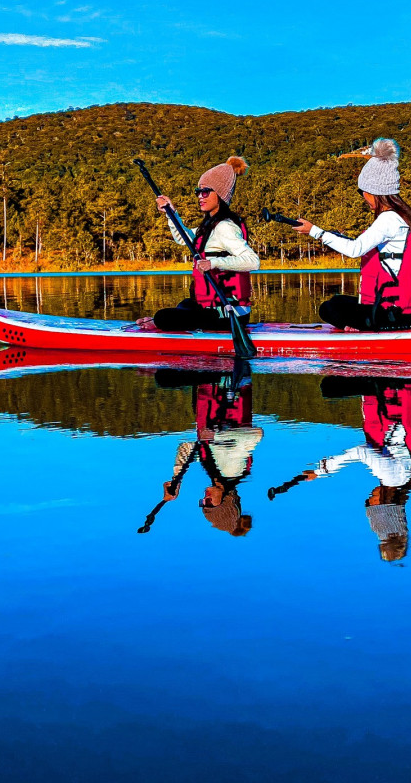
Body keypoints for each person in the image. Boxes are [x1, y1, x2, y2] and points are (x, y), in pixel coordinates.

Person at [272, 378, 411, 562]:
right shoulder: (391, 478)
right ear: (380, 503)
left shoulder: (409, 479)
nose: (368, 497)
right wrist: (322, 470)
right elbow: (362, 452)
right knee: (328, 389)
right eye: (369, 502)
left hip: (401, 404)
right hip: (395, 396)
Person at [290, 138, 411, 331]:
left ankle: (362, 326)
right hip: (403, 315)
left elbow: (355, 249)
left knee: (328, 308)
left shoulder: (387, 219)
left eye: (362, 191)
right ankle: (359, 323)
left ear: (374, 192)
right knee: (339, 300)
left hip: (385, 317)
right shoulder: (408, 220)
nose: (363, 196)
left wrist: (314, 231)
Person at [142, 364, 262, 537]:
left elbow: (187, 448)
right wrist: (215, 436)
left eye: (202, 503)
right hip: (230, 379)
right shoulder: (233, 469)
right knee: (163, 379)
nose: (204, 499)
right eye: (209, 503)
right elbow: (255, 435)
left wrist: (176, 480)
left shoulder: (214, 471)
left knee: (164, 378)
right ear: (224, 503)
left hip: (211, 381)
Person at [151, 156, 261, 333]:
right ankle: (169, 319)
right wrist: (171, 214)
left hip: (229, 314)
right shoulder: (209, 226)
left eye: (205, 192)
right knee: (186, 303)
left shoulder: (225, 227)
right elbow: (183, 238)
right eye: (198, 192)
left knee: (162, 317)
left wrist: (214, 263)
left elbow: (253, 261)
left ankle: (160, 322)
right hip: (213, 309)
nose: (200, 197)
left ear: (221, 195)